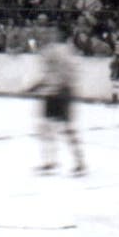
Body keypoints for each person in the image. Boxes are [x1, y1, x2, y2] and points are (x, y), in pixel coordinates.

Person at [32, 26, 86, 176]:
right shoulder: (70, 51)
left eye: (50, 32)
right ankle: (76, 161)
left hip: (56, 92)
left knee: (51, 128)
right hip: (62, 92)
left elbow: (51, 74)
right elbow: (70, 74)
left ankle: (53, 161)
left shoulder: (51, 51)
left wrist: (36, 86)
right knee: (61, 128)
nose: (47, 35)